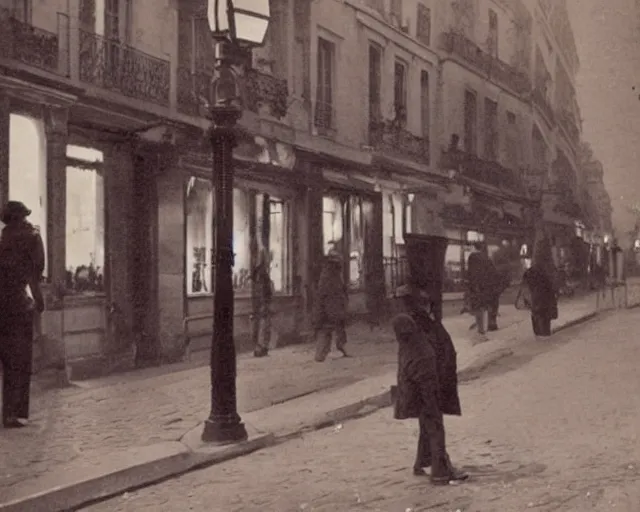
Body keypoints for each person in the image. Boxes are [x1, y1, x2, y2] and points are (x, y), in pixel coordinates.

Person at [391, 287, 468, 485]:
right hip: (427, 379)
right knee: (434, 423)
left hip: (422, 378)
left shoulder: (410, 322)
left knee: (428, 422)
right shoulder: (417, 323)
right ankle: (440, 470)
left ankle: (423, 462)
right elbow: (426, 356)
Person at [0, 201, 45, 428]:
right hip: (18, 304)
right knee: (20, 360)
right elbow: (34, 275)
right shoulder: (31, 236)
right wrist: (39, 299)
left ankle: (7, 412)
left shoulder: (2, 238)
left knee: (6, 361)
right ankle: (15, 414)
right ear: (21, 218)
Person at [313, 250, 349, 362]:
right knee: (328, 330)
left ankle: (331, 351)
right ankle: (323, 353)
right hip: (331, 308)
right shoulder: (331, 274)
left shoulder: (329, 273)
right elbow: (332, 293)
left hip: (330, 308)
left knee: (330, 330)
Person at [521, 232, 558, 337]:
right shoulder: (548, 265)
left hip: (537, 296)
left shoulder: (534, 267)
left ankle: (539, 334)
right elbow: (552, 280)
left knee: (538, 314)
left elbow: (527, 278)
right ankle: (544, 334)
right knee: (545, 317)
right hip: (546, 295)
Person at [466, 242, 495, 341]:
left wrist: (471, 286)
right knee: (483, 308)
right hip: (486, 287)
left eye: (471, 247)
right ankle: (483, 329)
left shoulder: (472, 257)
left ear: (474, 247)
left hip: (476, 287)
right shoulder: (486, 257)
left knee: (477, 308)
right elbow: (492, 272)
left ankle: (481, 331)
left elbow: (471, 273)